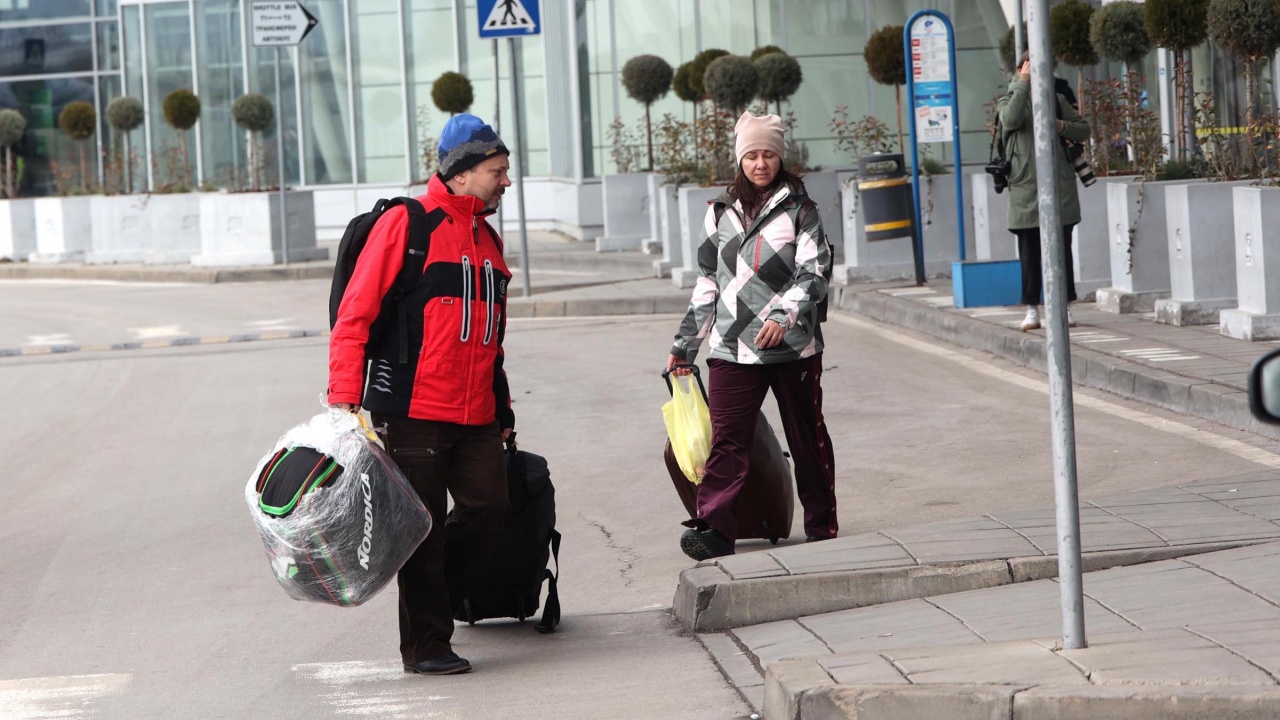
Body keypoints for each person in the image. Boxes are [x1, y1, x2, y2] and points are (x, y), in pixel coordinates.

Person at [328, 113, 515, 676]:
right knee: (423, 531)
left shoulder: (487, 236)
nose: (505, 181)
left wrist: (502, 407)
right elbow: (354, 314)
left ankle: (442, 600)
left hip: (477, 410)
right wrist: (344, 400)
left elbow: (491, 337)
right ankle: (427, 645)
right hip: (410, 411)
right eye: (496, 171)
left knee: (490, 509)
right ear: (460, 174)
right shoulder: (407, 226)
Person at [666, 111, 836, 561]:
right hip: (730, 346)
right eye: (752, 155)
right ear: (739, 159)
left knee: (806, 436)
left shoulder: (802, 212)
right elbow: (707, 282)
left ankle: (821, 523)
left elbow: (814, 273)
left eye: (768, 155)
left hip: (791, 346)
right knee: (727, 439)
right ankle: (715, 528)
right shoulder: (719, 213)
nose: (760, 163)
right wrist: (685, 345)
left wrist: (783, 314)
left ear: (780, 158)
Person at [998, 51, 1091, 332]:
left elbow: (1083, 130)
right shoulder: (1008, 100)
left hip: (1059, 188)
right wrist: (1023, 85)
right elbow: (1011, 120)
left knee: (1062, 251)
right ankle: (1031, 309)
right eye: (1033, 70)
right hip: (1025, 190)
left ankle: (1063, 306)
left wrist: (1062, 125)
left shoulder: (1056, 100)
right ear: (1021, 70)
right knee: (1029, 253)